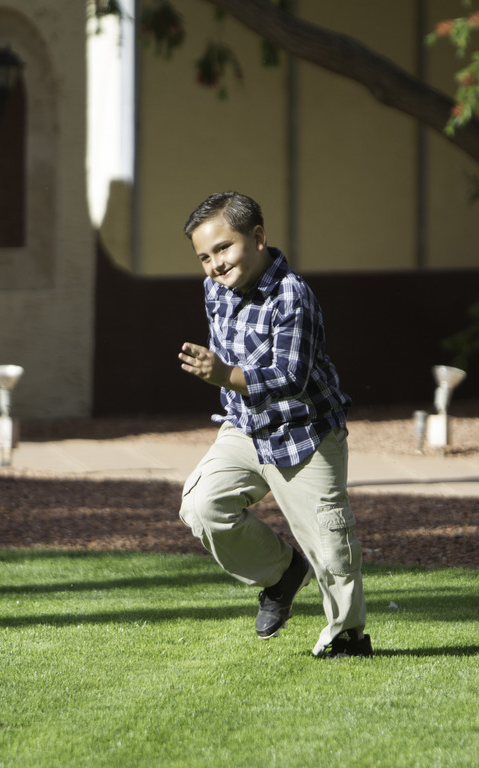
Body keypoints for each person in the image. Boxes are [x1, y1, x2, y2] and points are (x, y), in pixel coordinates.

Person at [177, 191, 371, 659]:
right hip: (245, 428)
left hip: (306, 433)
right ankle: (282, 574)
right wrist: (222, 376)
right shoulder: (215, 290)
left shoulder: (292, 296)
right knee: (202, 505)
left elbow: (289, 378)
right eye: (204, 257)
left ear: (258, 237)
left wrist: (223, 375)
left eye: (224, 248)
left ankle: (347, 638)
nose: (215, 265)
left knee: (329, 544)